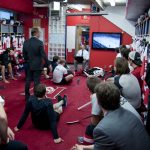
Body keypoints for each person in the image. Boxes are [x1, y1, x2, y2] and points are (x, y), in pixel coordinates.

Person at [72, 82, 150, 150]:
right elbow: (107, 144)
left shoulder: (102, 129)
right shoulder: (129, 113)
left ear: (99, 103)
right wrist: (84, 147)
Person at [23, 27, 49, 101]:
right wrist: (48, 64)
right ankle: (36, 97)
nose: (40, 34)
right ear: (36, 33)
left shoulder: (26, 42)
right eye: (39, 32)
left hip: (28, 64)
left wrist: (27, 61)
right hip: (37, 65)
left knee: (28, 80)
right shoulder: (39, 42)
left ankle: (27, 97)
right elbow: (43, 54)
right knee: (36, 81)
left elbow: (24, 54)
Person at [78, 76, 102, 144]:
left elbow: (94, 121)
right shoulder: (106, 89)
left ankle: (86, 143)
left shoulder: (95, 96)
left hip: (116, 125)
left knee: (90, 127)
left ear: (88, 89)